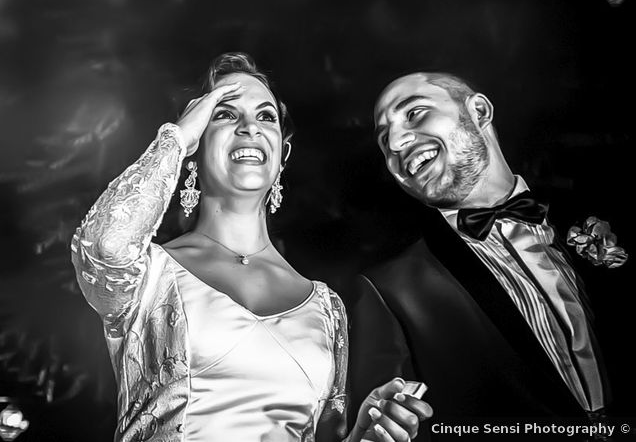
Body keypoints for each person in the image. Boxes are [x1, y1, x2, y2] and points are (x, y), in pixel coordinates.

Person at [70, 53, 432, 442]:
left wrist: (365, 434)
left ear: (282, 156)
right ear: (195, 144)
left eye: (266, 116)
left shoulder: (328, 308)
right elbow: (104, 246)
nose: (250, 128)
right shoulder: (148, 272)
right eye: (225, 114)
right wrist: (175, 139)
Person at [350, 72, 626, 439]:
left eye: (415, 114)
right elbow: (387, 426)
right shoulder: (389, 291)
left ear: (478, 111)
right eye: (385, 140)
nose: (397, 143)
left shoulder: (599, 215)